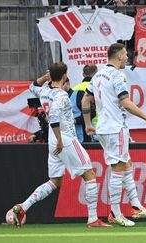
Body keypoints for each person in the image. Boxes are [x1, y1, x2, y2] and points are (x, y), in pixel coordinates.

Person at [9, 63, 110, 228]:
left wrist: (44, 77)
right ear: (64, 76)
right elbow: (54, 117)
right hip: (65, 138)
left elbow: (32, 86)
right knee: (89, 174)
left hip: (52, 139)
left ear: (51, 76)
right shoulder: (61, 95)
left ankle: (23, 207)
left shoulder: (44, 91)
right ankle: (93, 219)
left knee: (54, 181)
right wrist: (61, 140)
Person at [82, 43, 146, 227]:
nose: (127, 58)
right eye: (125, 55)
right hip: (116, 128)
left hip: (103, 129)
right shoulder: (117, 75)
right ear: (118, 57)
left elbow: (85, 99)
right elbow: (126, 102)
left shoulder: (98, 74)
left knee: (126, 163)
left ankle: (136, 206)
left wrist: (88, 124)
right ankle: (115, 213)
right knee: (118, 169)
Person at [70, 64, 98, 143]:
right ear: (96, 74)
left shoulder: (74, 89)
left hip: (82, 132)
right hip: (99, 128)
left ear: (83, 74)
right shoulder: (99, 87)